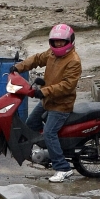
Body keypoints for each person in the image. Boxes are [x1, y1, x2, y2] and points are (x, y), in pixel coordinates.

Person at [13, 24, 81, 182]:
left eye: (62, 41)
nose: (58, 44)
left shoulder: (73, 61)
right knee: (30, 125)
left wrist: (43, 91)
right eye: (56, 41)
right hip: (47, 100)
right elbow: (37, 59)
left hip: (61, 105)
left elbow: (67, 85)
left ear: (69, 42)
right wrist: (18, 67)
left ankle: (63, 168)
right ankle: (45, 153)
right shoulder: (51, 54)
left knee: (50, 133)